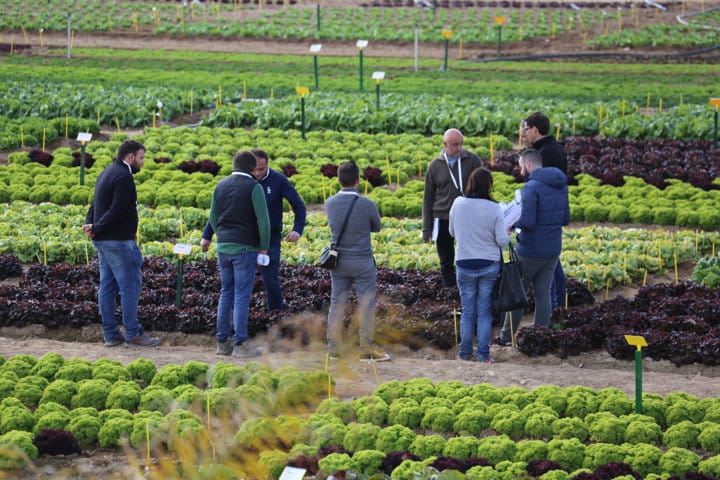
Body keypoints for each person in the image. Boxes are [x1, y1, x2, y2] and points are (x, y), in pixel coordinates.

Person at [201, 149, 306, 311]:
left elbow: (299, 205)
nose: (257, 173)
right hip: (245, 240)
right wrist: (207, 235)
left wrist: (297, 229)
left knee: (270, 281)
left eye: (261, 169)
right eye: (254, 169)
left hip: (270, 239)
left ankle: (276, 315)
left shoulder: (278, 180)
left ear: (267, 165)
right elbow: (222, 211)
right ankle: (238, 322)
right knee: (236, 285)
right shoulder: (242, 182)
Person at [83, 140, 160, 348]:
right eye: (141, 158)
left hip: (103, 241)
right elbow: (116, 210)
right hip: (119, 241)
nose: (142, 162)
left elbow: (94, 204)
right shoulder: (124, 177)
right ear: (130, 157)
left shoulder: (107, 172)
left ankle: (110, 334)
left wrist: (90, 224)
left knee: (107, 287)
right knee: (130, 287)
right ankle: (133, 334)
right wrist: (96, 227)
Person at [499, 149, 570, 346]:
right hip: (553, 249)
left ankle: (506, 337)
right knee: (543, 293)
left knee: (517, 294)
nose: (520, 170)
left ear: (528, 165)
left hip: (530, 250)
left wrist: (512, 222)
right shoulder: (561, 186)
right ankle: (541, 335)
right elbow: (566, 219)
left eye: (521, 166)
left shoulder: (531, 187)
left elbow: (528, 222)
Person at [208, 150, 270, 357]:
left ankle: (222, 342)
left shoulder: (220, 185)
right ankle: (241, 344)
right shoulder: (255, 187)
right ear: (252, 168)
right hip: (245, 249)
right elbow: (263, 221)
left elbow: (213, 217)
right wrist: (264, 246)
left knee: (226, 292)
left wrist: (222, 235)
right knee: (242, 296)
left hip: (223, 247)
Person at [325, 161, 388, 361]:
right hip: (362, 261)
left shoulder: (330, 203)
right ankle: (366, 348)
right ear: (358, 180)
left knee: (337, 303)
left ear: (338, 179)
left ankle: (334, 348)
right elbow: (376, 227)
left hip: (339, 261)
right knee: (366, 305)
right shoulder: (367, 204)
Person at [449, 168, 509, 363]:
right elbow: (502, 241)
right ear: (489, 186)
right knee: (484, 311)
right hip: (489, 264)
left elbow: (451, 232)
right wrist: (507, 231)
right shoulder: (495, 208)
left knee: (467, 311)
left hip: (464, 262)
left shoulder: (458, 203)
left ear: (470, 183)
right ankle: (483, 355)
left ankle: (464, 354)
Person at [422, 128, 484, 288]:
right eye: (455, 145)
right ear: (445, 144)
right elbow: (428, 198)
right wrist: (426, 228)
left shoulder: (473, 160)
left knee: (470, 254)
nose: (459, 148)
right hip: (442, 217)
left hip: (468, 217)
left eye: (461, 144)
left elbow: (484, 187)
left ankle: (470, 286)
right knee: (446, 259)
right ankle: (450, 291)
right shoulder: (434, 166)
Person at [522, 111, 568, 308]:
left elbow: (540, 187)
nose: (523, 134)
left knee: (549, 264)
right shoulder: (556, 148)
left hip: (542, 217)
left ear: (535, 129)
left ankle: (558, 307)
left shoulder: (544, 153)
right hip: (552, 215)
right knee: (551, 260)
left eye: (525, 130)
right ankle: (558, 307)